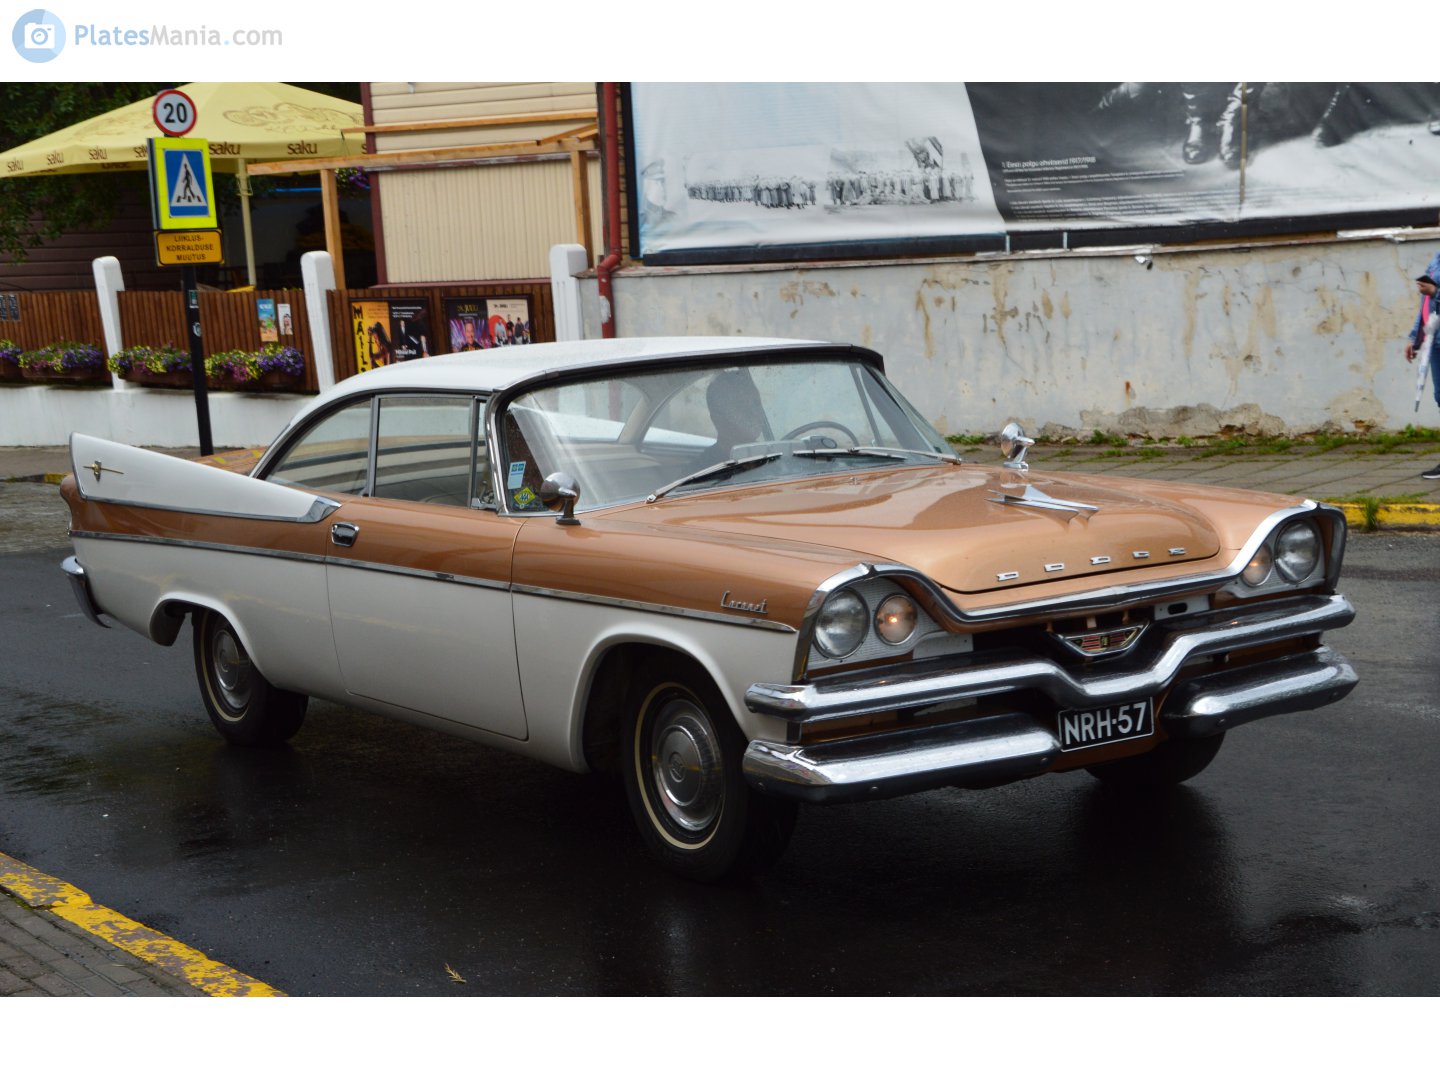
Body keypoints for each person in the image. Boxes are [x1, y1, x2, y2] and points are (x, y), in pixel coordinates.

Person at [1405, 260, 1440, 479]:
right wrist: (1415, 338)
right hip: (1435, 341)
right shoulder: (1436, 260)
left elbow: (1433, 295)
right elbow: (1425, 306)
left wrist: (1435, 291)